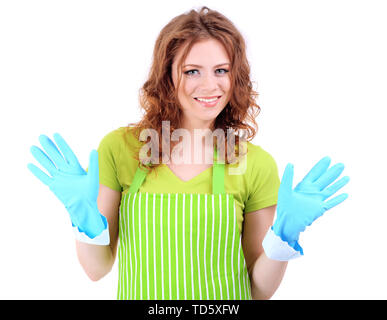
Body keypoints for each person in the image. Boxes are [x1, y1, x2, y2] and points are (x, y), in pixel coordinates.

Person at [27, 6, 349, 300]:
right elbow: (96, 270)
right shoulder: (121, 149)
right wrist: (83, 219)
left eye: (221, 70)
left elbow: (258, 289)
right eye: (192, 71)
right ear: (167, 75)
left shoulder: (255, 164)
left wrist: (283, 238)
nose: (210, 85)